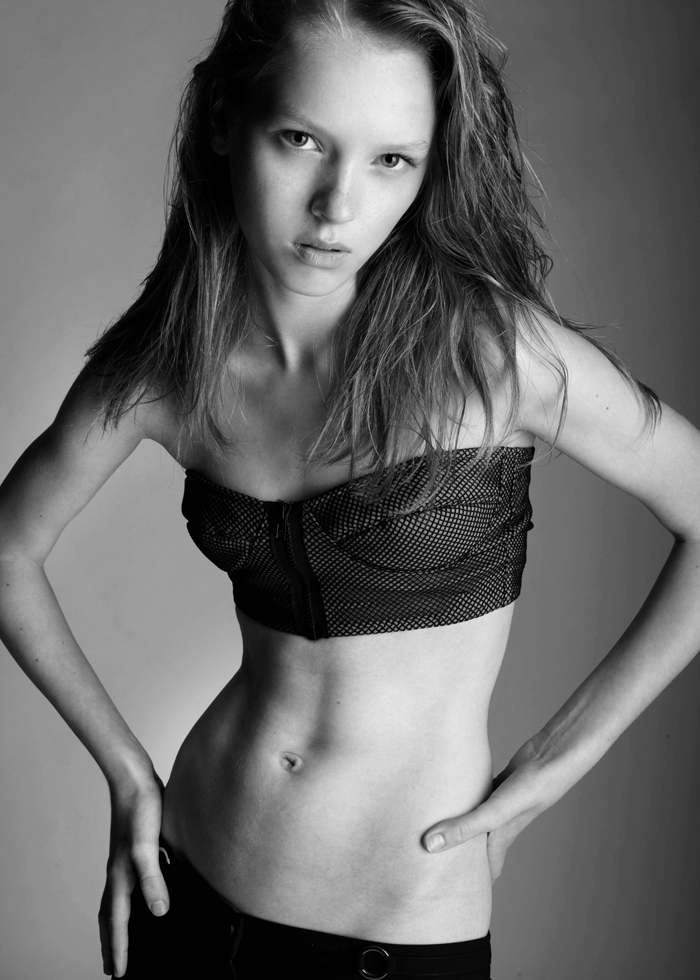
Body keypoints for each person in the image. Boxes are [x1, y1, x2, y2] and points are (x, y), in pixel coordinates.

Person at [1, 0, 699, 977]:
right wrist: (125, 769)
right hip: (185, 886)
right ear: (223, 121)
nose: (338, 206)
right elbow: (9, 550)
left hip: (394, 933)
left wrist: (556, 761)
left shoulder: (492, 354)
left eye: (391, 160)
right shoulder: (171, 364)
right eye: (301, 140)